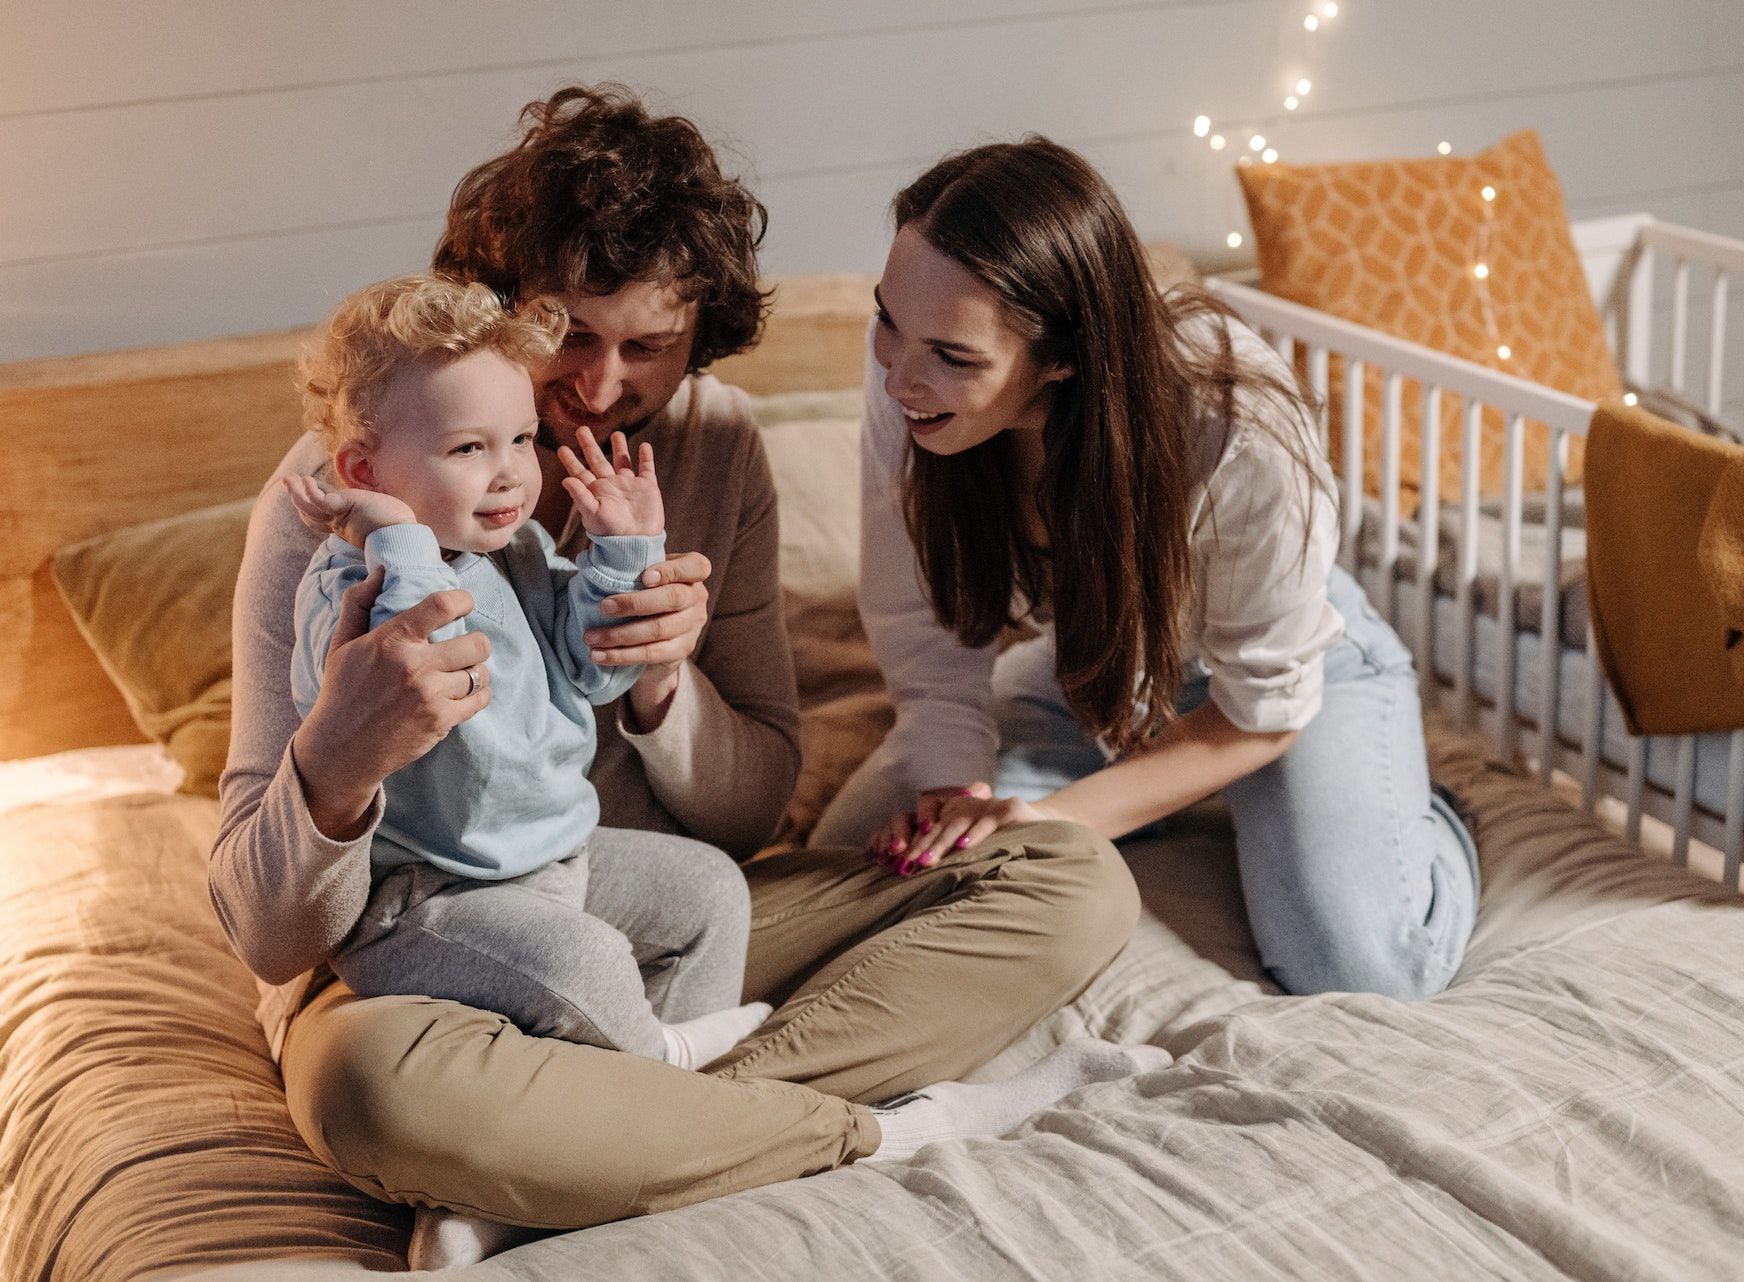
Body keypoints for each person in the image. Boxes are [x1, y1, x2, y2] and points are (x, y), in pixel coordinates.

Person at [208, 86, 1151, 1263]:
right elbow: (266, 933)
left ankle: (585, 1151)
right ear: (501, 316)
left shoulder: (714, 444)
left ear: (698, 339)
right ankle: (872, 1126)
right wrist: (339, 761)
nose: (599, 389)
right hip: (419, 959)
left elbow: (751, 815)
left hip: (643, 914)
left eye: (646, 347)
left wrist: (665, 686)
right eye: (568, 338)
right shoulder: (344, 494)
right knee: (367, 1091)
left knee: (1071, 876)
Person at [810, 137, 1480, 1002]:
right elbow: (926, 638)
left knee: (1360, 964)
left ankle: (1424, 818)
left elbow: (1260, 712)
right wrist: (958, 791)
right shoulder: (909, 373)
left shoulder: (1237, 424)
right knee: (865, 869)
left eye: (954, 358)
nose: (900, 376)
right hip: (1097, 669)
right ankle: (1164, 797)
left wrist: (1046, 818)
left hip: (1271, 678)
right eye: (888, 321)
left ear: (1063, 356)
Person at [286, 273, 771, 1069]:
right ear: (364, 474)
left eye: (520, 439)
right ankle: (669, 1063)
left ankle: (662, 1101)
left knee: (712, 890)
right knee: (585, 963)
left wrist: (625, 551)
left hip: (553, 858)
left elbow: (595, 674)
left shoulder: (516, 555)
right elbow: (423, 667)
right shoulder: (349, 585)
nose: (511, 472)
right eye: (469, 448)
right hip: (431, 900)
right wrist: (389, 532)